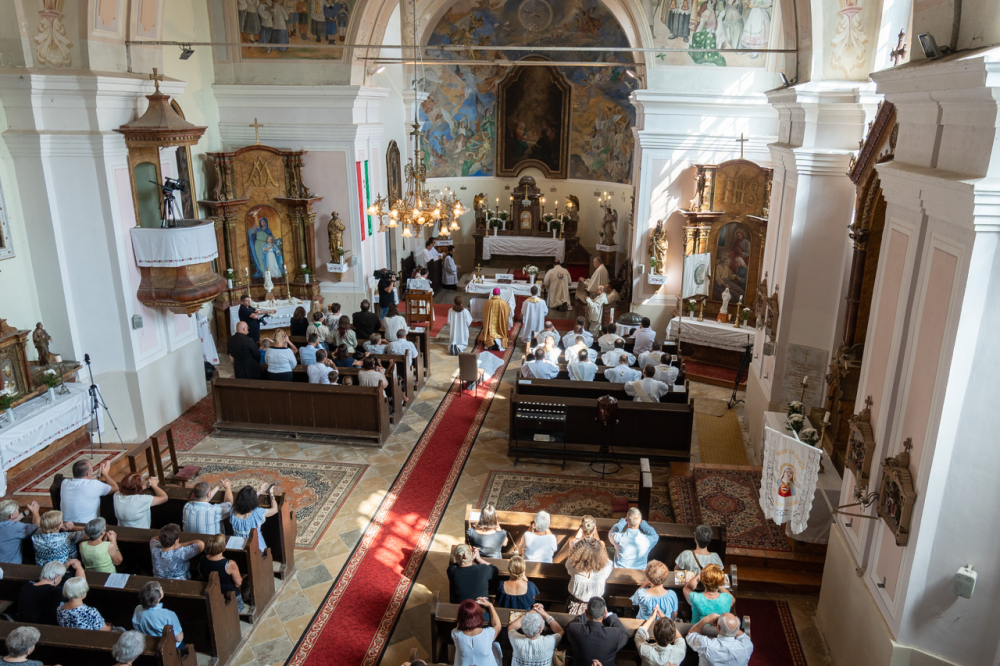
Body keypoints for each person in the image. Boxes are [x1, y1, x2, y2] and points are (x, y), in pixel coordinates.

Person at [565, 597, 628, 666]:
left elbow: (573, 623)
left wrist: (585, 615)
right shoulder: (614, 634)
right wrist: (609, 616)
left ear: (586, 613)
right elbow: (624, 634)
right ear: (604, 614)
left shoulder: (574, 629)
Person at [18, 559, 84, 625]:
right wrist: (79, 568)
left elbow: (40, 582)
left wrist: (65, 565)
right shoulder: (55, 592)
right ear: (56, 576)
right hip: (46, 628)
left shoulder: (26, 586)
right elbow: (80, 588)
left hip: (23, 625)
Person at [564, 537, 614, 614]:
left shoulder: (572, 565)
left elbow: (569, 564)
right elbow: (608, 562)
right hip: (596, 607)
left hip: (576, 605)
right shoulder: (606, 566)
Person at [61, 459, 119, 524]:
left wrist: (97, 475)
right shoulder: (94, 485)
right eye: (91, 469)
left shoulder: (64, 483)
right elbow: (115, 488)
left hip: (66, 525)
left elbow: (81, 480)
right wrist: (105, 474)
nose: (92, 470)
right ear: (88, 474)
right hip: (87, 527)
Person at [199, 533, 245, 613]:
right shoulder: (230, 564)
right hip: (228, 598)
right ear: (222, 547)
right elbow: (238, 583)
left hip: (211, 596)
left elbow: (201, 573)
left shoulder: (202, 559)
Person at [686, 613, 753, 666]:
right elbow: (743, 636)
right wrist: (729, 627)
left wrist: (705, 620)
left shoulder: (706, 645)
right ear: (738, 628)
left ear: (718, 627)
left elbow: (690, 635)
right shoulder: (747, 645)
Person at [132, 581, 184, 647]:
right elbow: (179, 638)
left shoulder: (138, 609)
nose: (161, 588)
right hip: (165, 647)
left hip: (145, 643)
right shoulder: (168, 614)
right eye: (160, 588)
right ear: (159, 595)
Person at [451, 597, 501, 666]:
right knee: (496, 646)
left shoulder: (455, 634)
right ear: (479, 616)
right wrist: (490, 606)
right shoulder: (489, 633)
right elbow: (497, 625)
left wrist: (469, 608)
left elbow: (459, 625)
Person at [231, 484, 278, 552]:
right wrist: (271, 494)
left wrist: (259, 491)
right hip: (257, 550)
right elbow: (275, 509)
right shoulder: (256, 512)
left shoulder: (233, 511)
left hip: (239, 549)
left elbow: (246, 502)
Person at [0, 498, 39, 564]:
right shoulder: (17, 527)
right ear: (12, 515)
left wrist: (26, 512)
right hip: (10, 566)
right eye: (18, 509)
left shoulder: (4, 521)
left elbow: (10, 521)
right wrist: (35, 512)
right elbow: (37, 527)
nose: (19, 510)